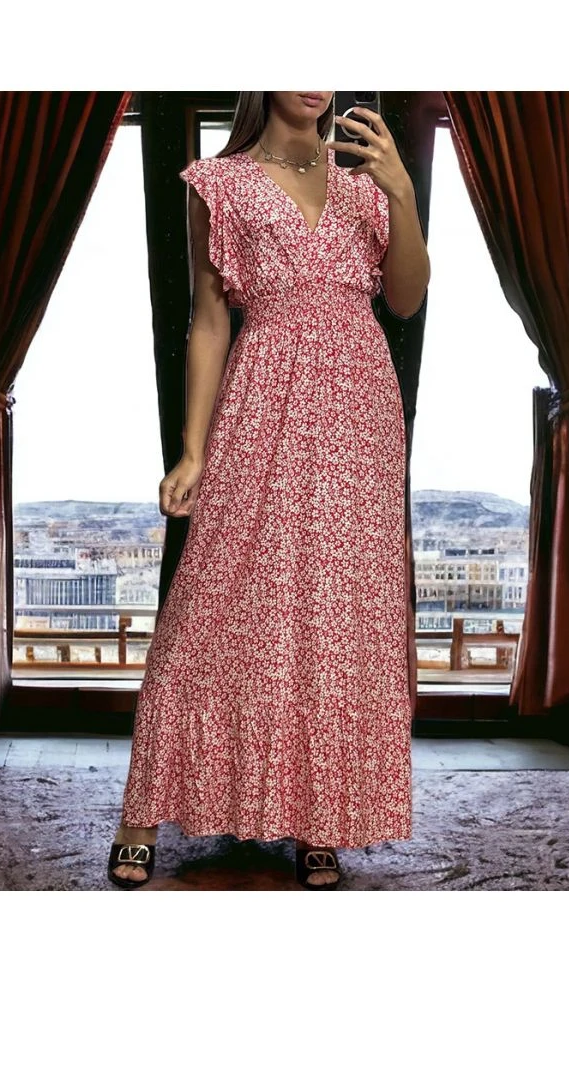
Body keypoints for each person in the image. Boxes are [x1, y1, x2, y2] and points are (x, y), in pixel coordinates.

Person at [108, 91, 430, 890]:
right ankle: (141, 814)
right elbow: (209, 320)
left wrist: (401, 191)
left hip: (359, 409)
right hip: (263, 396)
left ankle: (322, 820)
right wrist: (192, 450)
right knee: (211, 600)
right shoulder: (218, 184)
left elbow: (406, 297)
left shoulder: (364, 183)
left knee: (336, 616)